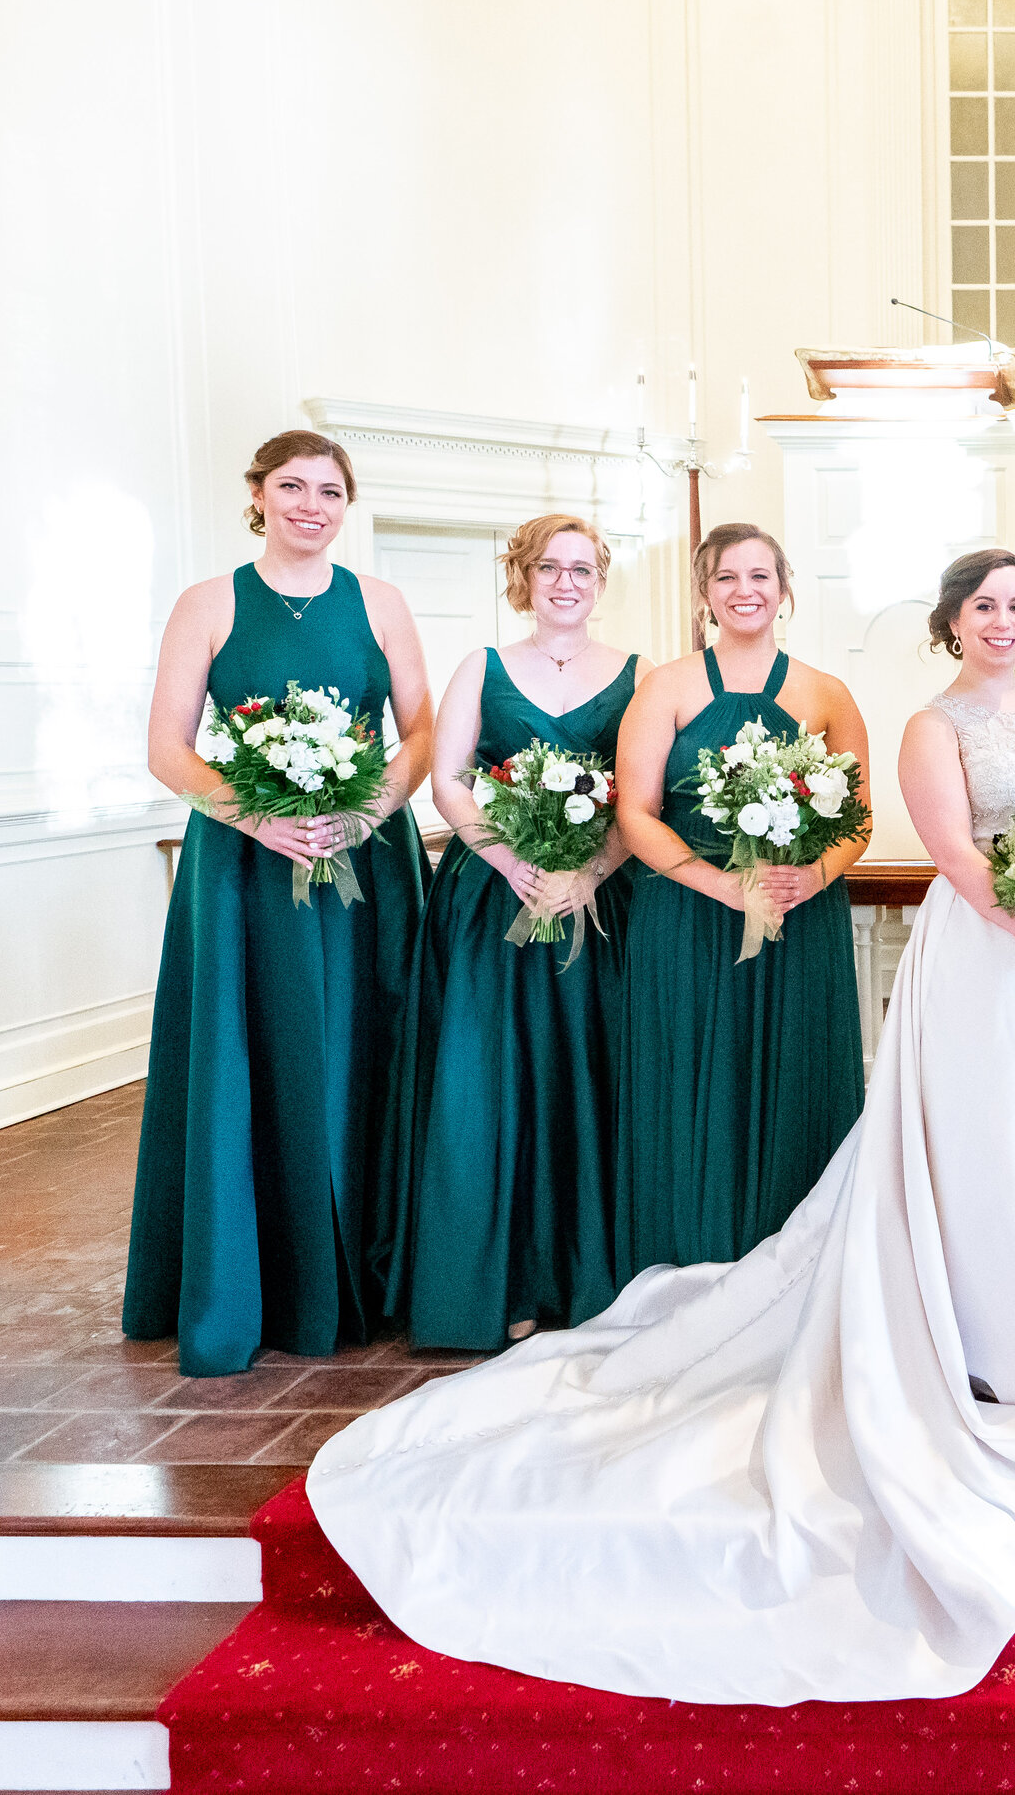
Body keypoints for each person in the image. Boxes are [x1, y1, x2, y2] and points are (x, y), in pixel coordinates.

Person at [305, 549, 1015, 1706]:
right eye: (983, 606)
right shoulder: (926, 722)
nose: (1005, 622)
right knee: (999, 1159)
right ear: (948, 621)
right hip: (1000, 953)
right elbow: (956, 857)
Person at [125, 430, 433, 1377]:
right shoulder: (208, 603)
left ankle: (373, 1278)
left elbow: (419, 731)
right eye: (291, 486)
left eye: (330, 490)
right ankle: (252, 1282)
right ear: (257, 496)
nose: (311, 504)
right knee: (255, 1055)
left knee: (364, 1052)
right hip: (244, 870)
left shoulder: (380, 603)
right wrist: (257, 818)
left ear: (349, 505)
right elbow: (168, 747)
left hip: (366, 864)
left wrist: (367, 807)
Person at [376, 515, 638, 1351]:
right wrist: (508, 857)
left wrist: (587, 872)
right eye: (550, 567)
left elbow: (644, 797)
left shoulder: (638, 675)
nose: (567, 582)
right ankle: (500, 1280)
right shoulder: (482, 669)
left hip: (598, 909)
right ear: (524, 577)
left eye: (583, 569)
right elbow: (449, 781)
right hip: (495, 903)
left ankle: (587, 1275)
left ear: (600, 581)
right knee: (490, 1088)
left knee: (587, 1082)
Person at [608, 522, 868, 1280]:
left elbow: (860, 817)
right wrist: (720, 883)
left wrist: (813, 877)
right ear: (704, 594)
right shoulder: (666, 685)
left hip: (798, 918)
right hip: (688, 915)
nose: (745, 591)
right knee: (693, 1085)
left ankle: (800, 1270)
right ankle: (688, 1258)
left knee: (794, 1080)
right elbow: (635, 812)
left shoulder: (827, 692)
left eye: (761, 576)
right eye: (727, 578)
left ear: (785, 590)